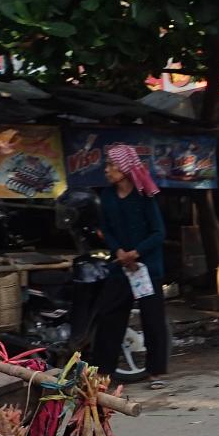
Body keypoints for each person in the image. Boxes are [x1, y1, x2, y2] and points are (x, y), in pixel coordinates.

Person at [89, 144, 170, 389]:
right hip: (121, 267)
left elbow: (159, 233)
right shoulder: (107, 196)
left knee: (153, 319)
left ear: (124, 169)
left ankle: (156, 373)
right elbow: (107, 231)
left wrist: (137, 252)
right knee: (109, 317)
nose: (107, 170)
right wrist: (119, 252)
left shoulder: (144, 196)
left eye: (111, 165)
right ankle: (104, 373)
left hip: (147, 268)